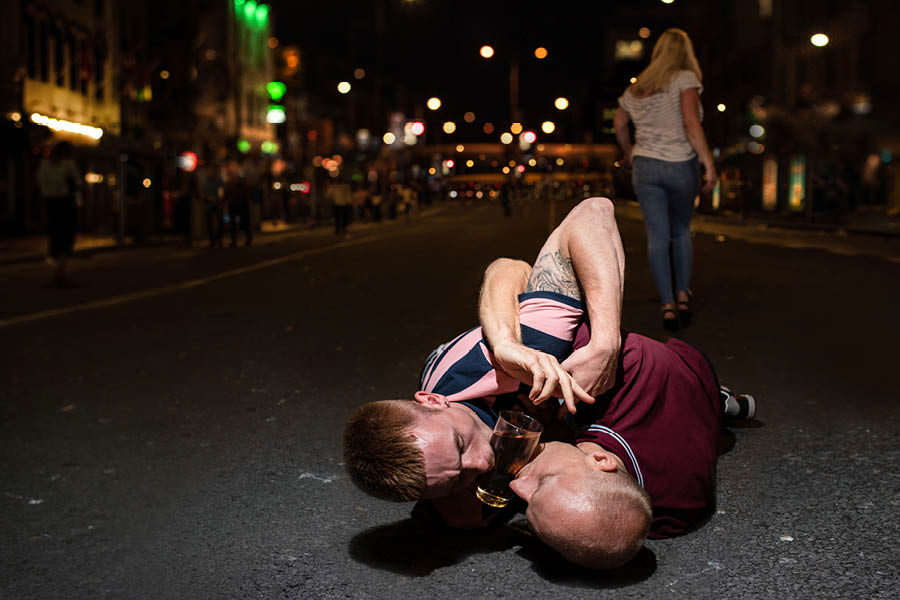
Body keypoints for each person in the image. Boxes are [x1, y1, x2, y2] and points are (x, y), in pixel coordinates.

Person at [344, 198, 753, 568]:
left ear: (434, 400)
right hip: (617, 413)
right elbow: (506, 268)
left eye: (460, 445)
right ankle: (714, 407)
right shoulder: (461, 501)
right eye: (454, 479)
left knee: (654, 384)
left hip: (655, 367)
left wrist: (598, 345)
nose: (480, 464)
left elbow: (567, 229)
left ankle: (715, 401)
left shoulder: (525, 354)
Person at [613, 28, 718, 330]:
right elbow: (690, 122)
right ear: (685, 52)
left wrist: (629, 151)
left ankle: (667, 304)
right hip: (679, 164)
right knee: (681, 231)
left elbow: (619, 123)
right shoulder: (685, 78)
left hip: (646, 167)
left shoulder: (637, 88)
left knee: (657, 236)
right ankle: (683, 295)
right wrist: (708, 163)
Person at [35, 142, 81, 286]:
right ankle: (60, 267)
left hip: (50, 201)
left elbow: (39, 181)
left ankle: (57, 266)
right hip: (64, 202)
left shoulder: (44, 164)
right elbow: (78, 183)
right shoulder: (68, 165)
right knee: (66, 234)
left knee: (55, 233)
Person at [223, 160, 252, 247]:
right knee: (232, 223)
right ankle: (234, 240)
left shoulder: (241, 179)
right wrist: (223, 201)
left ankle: (248, 238)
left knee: (245, 221)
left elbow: (246, 190)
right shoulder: (229, 180)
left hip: (242, 203)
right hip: (233, 203)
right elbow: (227, 192)